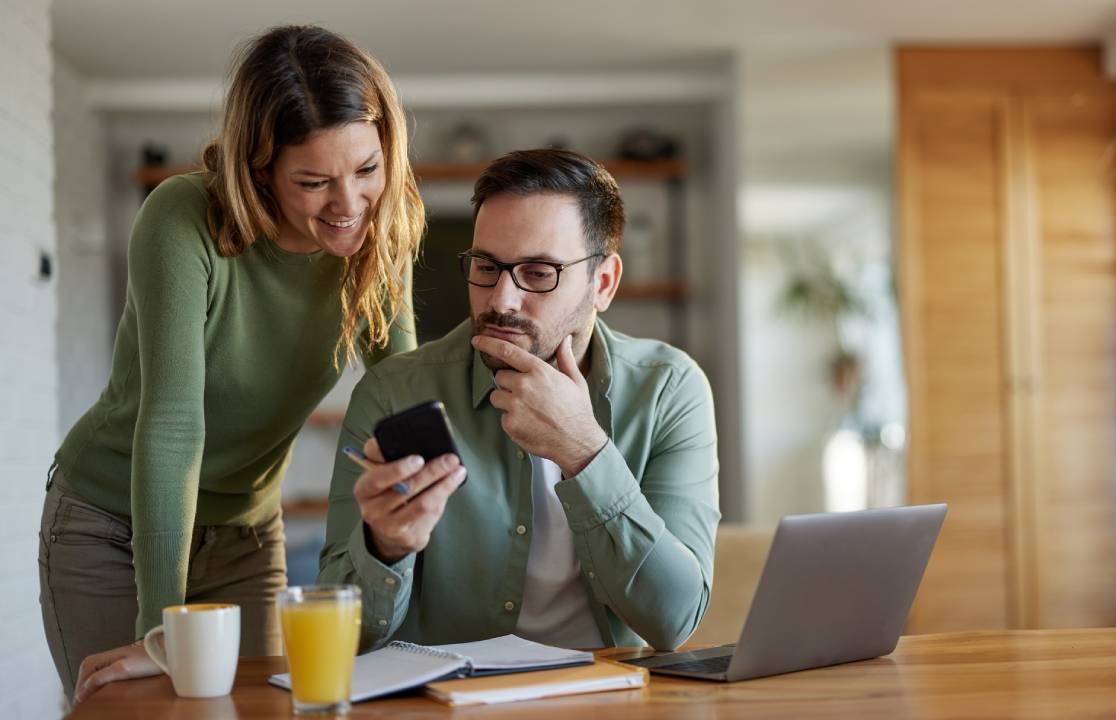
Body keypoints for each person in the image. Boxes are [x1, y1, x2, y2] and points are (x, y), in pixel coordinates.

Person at [40, 25, 425, 703]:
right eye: (312, 182)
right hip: (115, 527)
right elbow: (172, 424)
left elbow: (403, 393)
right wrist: (161, 631)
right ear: (259, 168)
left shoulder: (378, 232)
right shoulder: (181, 218)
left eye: (367, 169)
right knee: (141, 709)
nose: (349, 206)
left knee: (264, 708)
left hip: (247, 534)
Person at [317, 149, 719, 653]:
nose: (501, 300)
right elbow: (341, 636)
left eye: (538, 273)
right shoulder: (393, 392)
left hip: (609, 699)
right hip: (450, 705)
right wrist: (387, 547)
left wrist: (584, 451)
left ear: (604, 283)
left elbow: (674, 620)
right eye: (486, 265)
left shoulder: (668, 389)